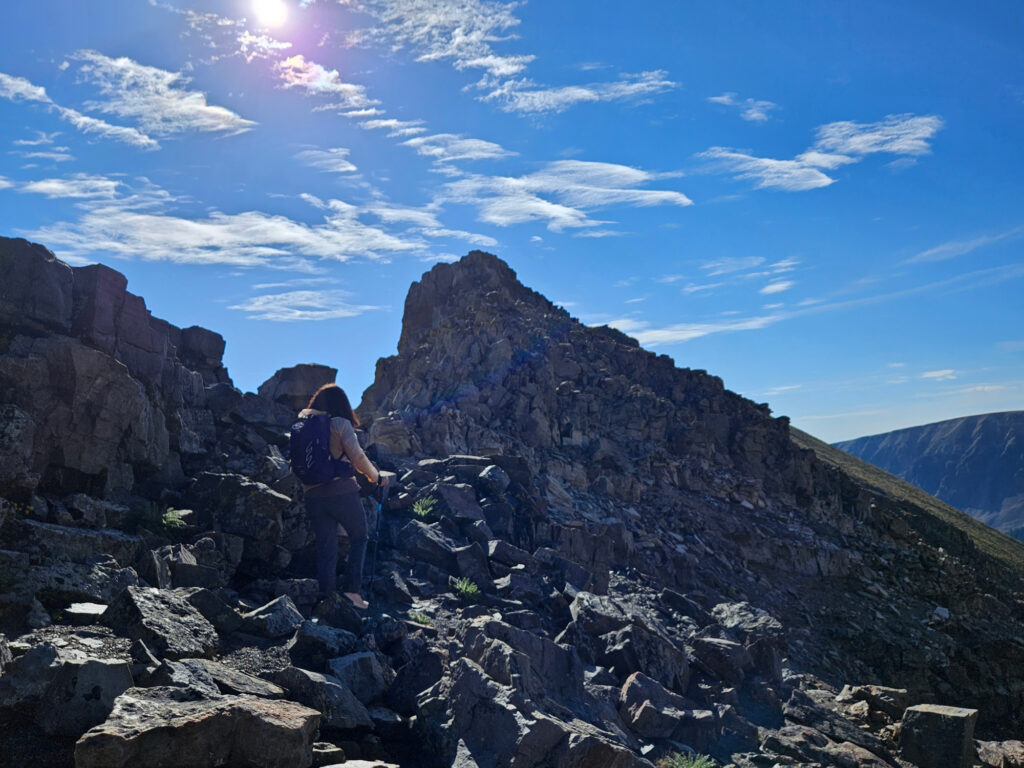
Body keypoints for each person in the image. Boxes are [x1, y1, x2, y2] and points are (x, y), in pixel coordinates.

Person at [297, 383, 388, 610]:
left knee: (327, 546)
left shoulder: (301, 426)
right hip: (341, 492)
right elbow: (358, 457)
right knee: (359, 537)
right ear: (342, 404)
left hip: (313, 495)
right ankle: (352, 592)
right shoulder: (339, 423)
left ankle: (326, 598)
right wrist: (376, 478)